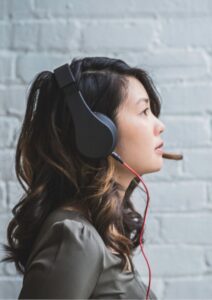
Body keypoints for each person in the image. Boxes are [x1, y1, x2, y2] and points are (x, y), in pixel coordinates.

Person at [1, 56, 166, 299]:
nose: (159, 125)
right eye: (144, 111)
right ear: (96, 134)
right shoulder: (73, 236)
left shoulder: (100, 229)